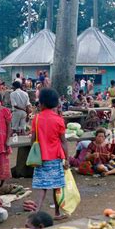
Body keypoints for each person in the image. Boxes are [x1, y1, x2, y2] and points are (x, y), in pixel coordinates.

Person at [31, 88, 69, 220]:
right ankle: (57, 213)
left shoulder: (36, 119)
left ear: (41, 103)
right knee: (56, 186)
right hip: (56, 157)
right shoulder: (59, 120)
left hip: (41, 158)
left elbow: (32, 140)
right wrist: (67, 159)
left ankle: (36, 211)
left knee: (42, 187)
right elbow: (63, 142)